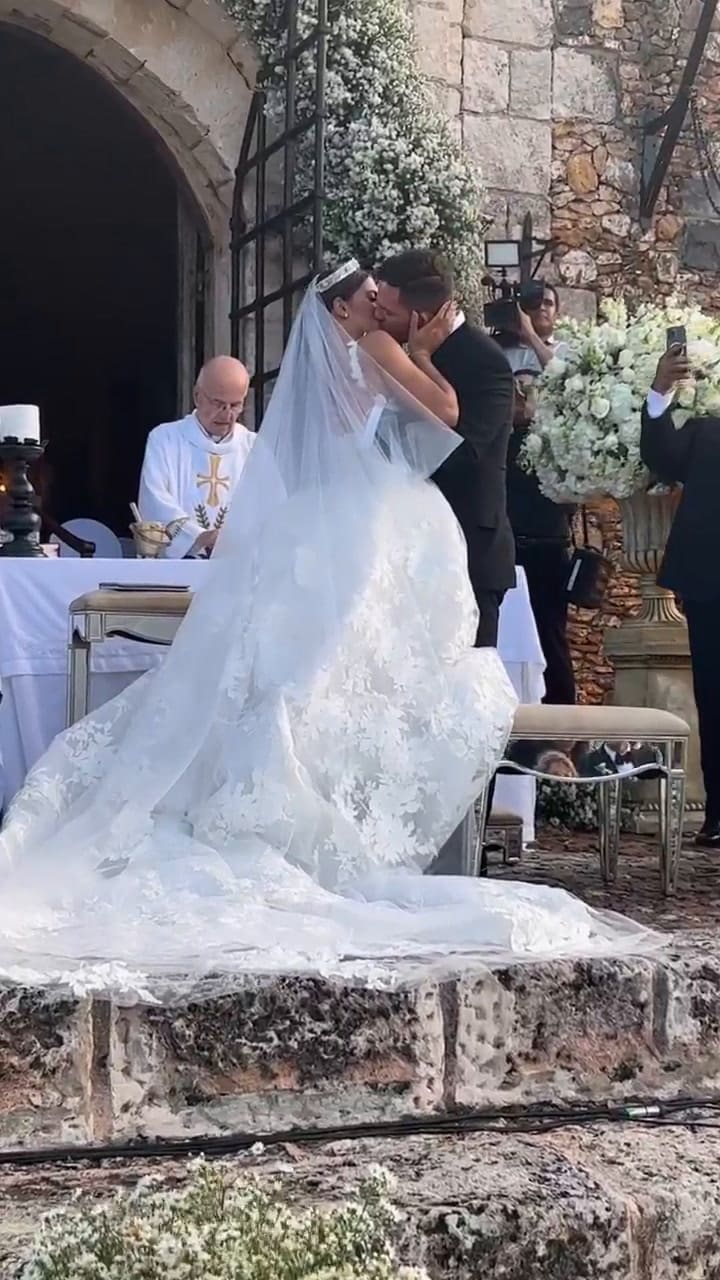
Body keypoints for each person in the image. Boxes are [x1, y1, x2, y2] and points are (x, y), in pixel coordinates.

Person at [0, 262, 658, 995]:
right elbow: (440, 415)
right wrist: (410, 355)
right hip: (366, 516)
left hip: (342, 518)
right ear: (346, 308)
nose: (380, 303)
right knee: (325, 667)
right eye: (370, 297)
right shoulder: (376, 349)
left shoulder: (353, 353)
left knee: (305, 667)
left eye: (386, 296)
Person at [374, 250, 516, 874]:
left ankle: (465, 850)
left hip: (468, 556)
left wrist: (422, 366)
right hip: (407, 557)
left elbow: (463, 455)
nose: (383, 317)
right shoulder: (394, 352)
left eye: (392, 308)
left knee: (464, 704)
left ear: (426, 314)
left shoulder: (484, 364)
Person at [641, 345, 720, 848]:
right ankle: (719, 813)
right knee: (713, 696)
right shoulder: (709, 431)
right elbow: (663, 457)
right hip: (711, 584)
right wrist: (659, 392)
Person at [506, 368, 576, 705]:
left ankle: (562, 718)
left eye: (527, 390)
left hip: (547, 550)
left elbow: (570, 497)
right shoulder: (497, 438)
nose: (520, 398)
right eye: (514, 390)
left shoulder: (555, 441)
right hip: (509, 550)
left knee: (551, 637)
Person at [138, 356, 254, 559]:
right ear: (197, 396)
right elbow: (155, 502)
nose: (227, 415)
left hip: (238, 570)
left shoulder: (254, 447)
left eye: (235, 405)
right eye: (218, 403)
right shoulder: (165, 439)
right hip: (177, 570)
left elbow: (274, 511)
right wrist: (198, 537)